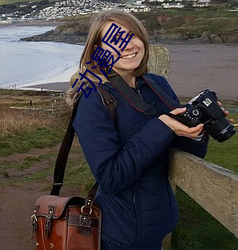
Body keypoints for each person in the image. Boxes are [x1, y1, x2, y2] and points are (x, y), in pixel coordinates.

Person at [66, 10, 228, 250]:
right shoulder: (93, 99)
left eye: (132, 35)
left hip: (159, 227)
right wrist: (162, 126)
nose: (127, 46)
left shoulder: (156, 84)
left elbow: (186, 152)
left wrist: (200, 126)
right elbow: (110, 177)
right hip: (121, 236)